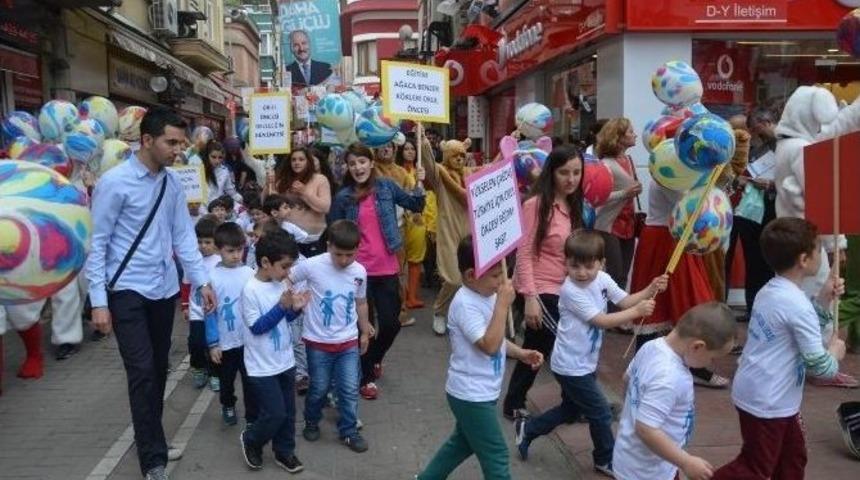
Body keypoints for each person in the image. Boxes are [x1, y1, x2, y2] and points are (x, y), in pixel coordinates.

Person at [86, 107, 217, 480]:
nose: (179, 150)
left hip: (164, 290)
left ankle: (153, 438)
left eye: (181, 142)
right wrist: (98, 301)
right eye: (171, 142)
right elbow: (98, 244)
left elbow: (182, 237)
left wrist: (201, 283)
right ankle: (152, 459)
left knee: (158, 369)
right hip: (126, 290)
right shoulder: (114, 183)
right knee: (142, 372)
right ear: (146, 140)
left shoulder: (173, 183)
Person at [514, 231, 668, 477]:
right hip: (570, 366)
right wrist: (638, 310)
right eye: (574, 266)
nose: (582, 272)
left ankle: (529, 429)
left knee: (571, 410)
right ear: (565, 263)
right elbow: (601, 321)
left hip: (584, 362)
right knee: (600, 412)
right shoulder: (570, 290)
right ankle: (605, 458)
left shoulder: (603, 279)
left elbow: (626, 301)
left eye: (589, 266)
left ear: (601, 263)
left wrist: (650, 288)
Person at [712, 218, 847, 479]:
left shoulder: (770, 290)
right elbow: (820, 367)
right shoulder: (796, 305)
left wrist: (823, 298)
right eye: (818, 249)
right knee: (755, 467)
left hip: (765, 393)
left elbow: (796, 328)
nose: (822, 254)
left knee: (792, 457)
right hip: (769, 401)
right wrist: (835, 352)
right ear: (804, 260)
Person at [416, 236, 544, 480]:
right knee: (496, 454)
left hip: (482, 392)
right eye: (495, 275)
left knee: (461, 445)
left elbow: (495, 338)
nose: (501, 281)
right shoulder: (465, 304)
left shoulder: (489, 296)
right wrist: (503, 307)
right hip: (470, 394)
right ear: (471, 275)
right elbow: (489, 345)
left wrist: (521, 354)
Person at [329, 143, 426, 400]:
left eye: (362, 162)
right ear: (347, 168)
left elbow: (415, 205)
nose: (358, 167)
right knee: (365, 327)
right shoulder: (343, 197)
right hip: (356, 271)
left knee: (392, 323)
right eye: (352, 163)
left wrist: (420, 182)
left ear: (370, 163)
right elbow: (334, 233)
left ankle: (373, 359)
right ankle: (366, 378)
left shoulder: (386, 187)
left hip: (386, 267)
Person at [502, 145, 584, 420]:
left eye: (576, 172)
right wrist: (530, 298)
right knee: (558, 347)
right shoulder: (535, 204)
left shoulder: (573, 204)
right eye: (564, 173)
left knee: (543, 348)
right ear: (551, 172)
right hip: (542, 289)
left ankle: (518, 401)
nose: (571, 179)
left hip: (568, 288)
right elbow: (523, 252)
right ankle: (579, 403)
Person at [612, 302, 736, 480]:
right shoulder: (669, 377)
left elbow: (627, 378)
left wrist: (632, 412)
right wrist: (686, 461)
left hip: (641, 458)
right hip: (647, 471)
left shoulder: (651, 346)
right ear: (697, 347)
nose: (710, 364)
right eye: (712, 358)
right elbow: (646, 429)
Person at [628, 179, 728, 388]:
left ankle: (689, 364)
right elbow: (689, 205)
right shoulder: (669, 173)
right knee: (661, 305)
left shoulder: (683, 171)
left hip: (676, 239)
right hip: (665, 238)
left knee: (686, 300)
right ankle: (645, 365)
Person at [288, 220, 373, 453]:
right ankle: (311, 420)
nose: (344, 260)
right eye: (338, 254)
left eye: (350, 254)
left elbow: (361, 302)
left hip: (347, 341)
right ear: (328, 246)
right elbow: (288, 278)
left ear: (358, 249)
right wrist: (292, 300)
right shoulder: (312, 265)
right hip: (317, 343)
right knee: (319, 387)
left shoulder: (359, 272)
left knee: (348, 387)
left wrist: (364, 331)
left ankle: (348, 430)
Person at [239, 229, 307, 473]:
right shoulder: (250, 290)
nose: (288, 272)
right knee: (274, 413)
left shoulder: (280, 283)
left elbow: (284, 317)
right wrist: (281, 307)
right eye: (285, 266)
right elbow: (257, 327)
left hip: (285, 361)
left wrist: (296, 309)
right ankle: (252, 439)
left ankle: (284, 451)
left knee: (289, 413)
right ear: (266, 262)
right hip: (261, 366)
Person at [204, 222, 258, 428]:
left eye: (240, 250)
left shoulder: (249, 273)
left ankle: (252, 415)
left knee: (251, 381)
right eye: (230, 251)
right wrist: (213, 343)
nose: (236, 255)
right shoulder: (211, 278)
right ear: (219, 250)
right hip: (225, 343)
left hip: (247, 340)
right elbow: (209, 313)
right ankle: (228, 404)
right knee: (226, 382)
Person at [594, 118, 641, 290]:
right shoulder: (606, 164)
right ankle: (612, 314)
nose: (635, 135)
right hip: (609, 226)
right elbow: (597, 197)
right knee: (614, 275)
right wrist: (625, 193)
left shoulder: (629, 160)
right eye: (630, 132)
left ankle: (618, 313)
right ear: (618, 137)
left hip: (628, 225)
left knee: (622, 275)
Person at [268, 148, 331, 257]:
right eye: (294, 160)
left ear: (308, 162)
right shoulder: (283, 180)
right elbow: (270, 203)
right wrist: (268, 184)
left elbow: (325, 207)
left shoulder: (320, 179)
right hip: (288, 240)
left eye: (301, 159)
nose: (297, 162)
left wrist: (304, 192)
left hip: (315, 239)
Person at [188, 215, 222, 390]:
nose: (203, 246)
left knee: (214, 343)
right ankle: (199, 368)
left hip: (214, 312)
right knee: (196, 342)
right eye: (200, 242)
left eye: (208, 242)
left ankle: (216, 373)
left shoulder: (220, 262)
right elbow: (186, 283)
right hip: (196, 311)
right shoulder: (193, 261)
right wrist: (185, 306)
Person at [396, 138, 429, 310]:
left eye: (412, 149)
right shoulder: (396, 172)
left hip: (417, 219)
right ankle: (401, 298)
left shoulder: (421, 171)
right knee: (400, 262)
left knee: (416, 259)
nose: (410, 151)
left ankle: (412, 296)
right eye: (406, 148)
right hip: (401, 219)